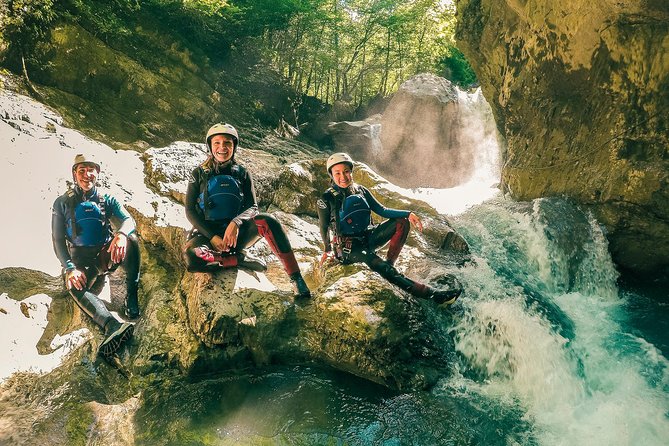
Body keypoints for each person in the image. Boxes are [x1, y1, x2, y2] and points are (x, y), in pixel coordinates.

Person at [183, 123, 311, 299]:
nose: (222, 148)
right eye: (217, 143)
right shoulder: (198, 173)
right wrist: (212, 236)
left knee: (268, 220)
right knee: (193, 257)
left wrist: (236, 223)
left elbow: (253, 207)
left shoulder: (242, 173)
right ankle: (239, 260)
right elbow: (190, 211)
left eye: (227, 143)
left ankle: (296, 279)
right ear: (210, 146)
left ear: (234, 146)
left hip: (237, 236)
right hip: (207, 235)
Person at [317, 153, 462, 305]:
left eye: (346, 171)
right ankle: (433, 295)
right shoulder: (326, 198)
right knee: (378, 265)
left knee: (401, 222)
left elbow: (382, 210)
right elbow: (323, 226)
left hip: (369, 238)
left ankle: (389, 264)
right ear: (331, 175)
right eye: (337, 173)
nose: (343, 177)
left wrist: (408, 213)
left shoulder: (361, 190)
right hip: (349, 248)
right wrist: (327, 250)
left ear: (351, 171)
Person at [51, 154, 140, 357]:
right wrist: (70, 269)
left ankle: (131, 296)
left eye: (90, 170)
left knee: (132, 241)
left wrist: (121, 234)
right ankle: (111, 325)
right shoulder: (62, 203)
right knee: (73, 285)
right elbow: (57, 240)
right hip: (81, 261)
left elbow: (129, 220)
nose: (86, 175)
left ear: (97, 173)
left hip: (104, 256)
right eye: (81, 170)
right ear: (74, 174)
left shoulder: (106, 199)